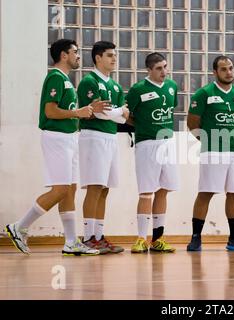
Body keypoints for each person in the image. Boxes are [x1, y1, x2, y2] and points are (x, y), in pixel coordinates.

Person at [4, 39, 107, 256]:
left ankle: (71, 242)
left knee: (69, 189)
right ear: (63, 55)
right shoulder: (55, 77)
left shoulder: (66, 80)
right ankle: (19, 226)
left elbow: (68, 110)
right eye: (75, 52)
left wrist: (86, 109)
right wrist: (77, 113)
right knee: (60, 189)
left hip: (69, 137)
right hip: (57, 138)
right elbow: (50, 111)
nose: (78, 56)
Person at [186, 55, 234, 252]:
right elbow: (192, 123)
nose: (229, 72)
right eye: (224, 69)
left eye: (231, 68)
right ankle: (195, 238)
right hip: (212, 152)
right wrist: (208, 141)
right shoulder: (204, 93)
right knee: (206, 193)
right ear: (215, 72)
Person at [77, 41, 129, 254]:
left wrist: (116, 112)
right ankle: (88, 237)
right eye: (109, 55)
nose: (114, 59)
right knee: (94, 186)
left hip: (110, 137)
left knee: (105, 188)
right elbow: (97, 113)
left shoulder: (115, 86)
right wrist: (118, 112)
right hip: (93, 137)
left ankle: (99, 236)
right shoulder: (89, 82)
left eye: (115, 55)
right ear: (98, 58)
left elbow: (122, 118)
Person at [126, 52, 179, 253]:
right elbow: (127, 114)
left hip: (168, 143)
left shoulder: (172, 87)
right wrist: (142, 125)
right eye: (159, 68)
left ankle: (158, 239)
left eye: (165, 67)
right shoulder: (138, 89)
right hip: (146, 144)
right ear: (148, 70)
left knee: (164, 189)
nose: (164, 72)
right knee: (146, 192)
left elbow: (171, 109)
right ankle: (141, 238)